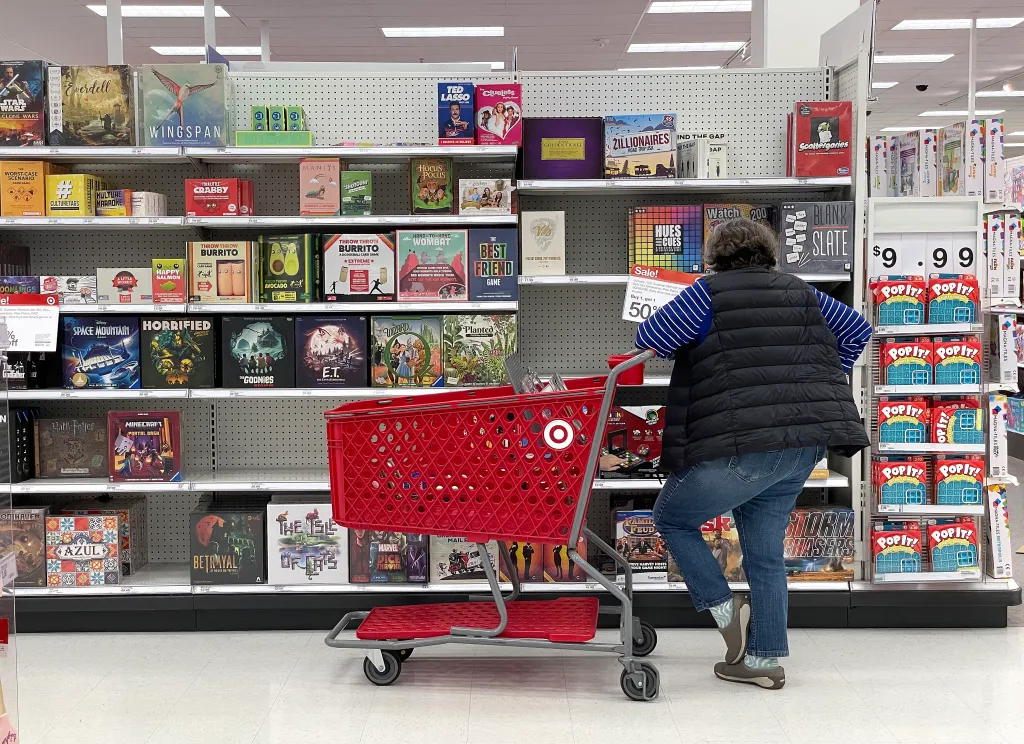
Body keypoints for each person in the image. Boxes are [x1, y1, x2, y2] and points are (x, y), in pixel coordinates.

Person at [635, 219, 871, 690]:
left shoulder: (707, 294)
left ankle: (727, 613)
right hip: (801, 448)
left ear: (714, 259)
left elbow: (650, 338)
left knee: (673, 518)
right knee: (765, 557)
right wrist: (820, 376)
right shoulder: (803, 293)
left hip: (740, 446)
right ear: (770, 254)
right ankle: (762, 663)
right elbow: (857, 330)